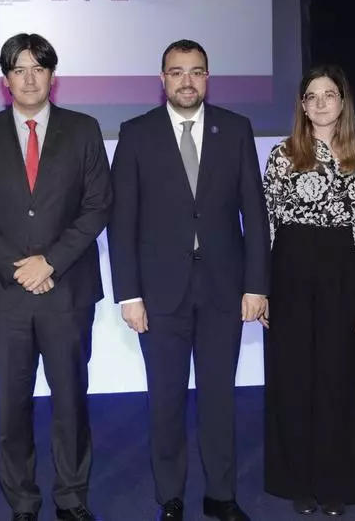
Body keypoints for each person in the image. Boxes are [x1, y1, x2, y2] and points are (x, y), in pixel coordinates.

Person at [108, 39, 270, 521]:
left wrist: (256, 285)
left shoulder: (235, 129)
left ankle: (221, 495)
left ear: (207, 78)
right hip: (159, 293)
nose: (186, 81)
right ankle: (171, 497)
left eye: (196, 72)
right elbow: (122, 221)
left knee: (220, 398)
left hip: (224, 289)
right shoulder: (136, 133)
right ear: (162, 79)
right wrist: (129, 294)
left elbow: (254, 214)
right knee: (166, 399)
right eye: (177, 72)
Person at [0, 33, 112, 521]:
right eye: (19, 69)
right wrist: (19, 267)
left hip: (67, 291)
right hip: (6, 294)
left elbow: (97, 206)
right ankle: (22, 501)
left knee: (71, 402)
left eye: (38, 69)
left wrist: (51, 262)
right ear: (5, 80)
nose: (29, 79)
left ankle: (72, 497)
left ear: (52, 76)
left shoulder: (84, 130)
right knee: (12, 407)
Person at [260, 64, 355, 517]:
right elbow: (266, 224)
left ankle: (335, 483)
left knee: (337, 377)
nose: (321, 103)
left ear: (343, 101)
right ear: (303, 106)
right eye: (312, 96)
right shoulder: (282, 154)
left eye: (329, 94)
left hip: (341, 273)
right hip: (288, 271)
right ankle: (297, 481)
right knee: (292, 378)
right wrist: (261, 288)